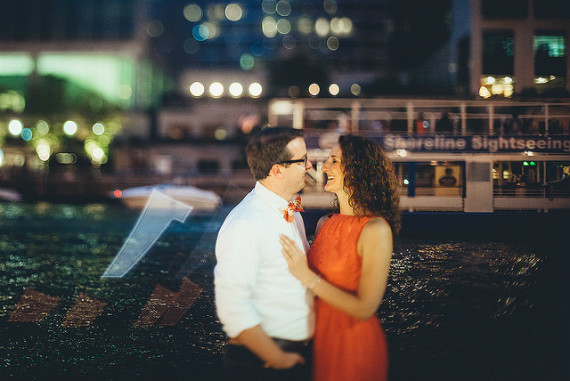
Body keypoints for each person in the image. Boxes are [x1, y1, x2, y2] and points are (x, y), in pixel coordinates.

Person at [280, 134, 400, 381]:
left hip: (354, 346)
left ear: (358, 168)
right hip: (321, 344)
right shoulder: (325, 223)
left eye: (334, 160)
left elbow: (365, 308)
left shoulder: (375, 229)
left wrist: (306, 277)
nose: (324, 167)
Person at [214, 127, 315, 381]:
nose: (310, 165)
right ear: (277, 170)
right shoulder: (245, 224)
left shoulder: (290, 211)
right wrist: (277, 358)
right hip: (263, 360)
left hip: (292, 352)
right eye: (302, 160)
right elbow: (233, 307)